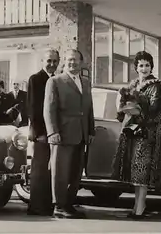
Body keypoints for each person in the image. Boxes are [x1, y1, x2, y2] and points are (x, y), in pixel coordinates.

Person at [112, 51, 161, 219]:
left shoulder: (156, 86)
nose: (144, 68)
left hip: (147, 132)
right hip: (133, 131)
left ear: (152, 67)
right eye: (141, 65)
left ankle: (140, 207)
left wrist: (137, 112)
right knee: (135, 172)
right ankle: (137, 205)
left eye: (147, 65)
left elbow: (154, 111)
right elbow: (121, 111)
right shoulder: (132, 85)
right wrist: (122, 107)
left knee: (142, 171)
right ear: (136, 68)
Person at [44, 49, 95, 219]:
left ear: (81, 62)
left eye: (76, 60)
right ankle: (59, 205)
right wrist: (52, 132)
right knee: (60, 171)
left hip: (81, 134)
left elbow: (88, 109)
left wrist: (91, 130)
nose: (72, 63)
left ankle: (69, 204)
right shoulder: (55, 81)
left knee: (75, 172)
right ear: (64, 62)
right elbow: (49, 110)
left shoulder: (86, 83)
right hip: (62, 134)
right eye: (69, 60)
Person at [27, 49, 60, 216]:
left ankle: (47, 205)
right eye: (49, 61)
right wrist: (40, 132)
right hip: (41, 133)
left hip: (54, 132)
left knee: (50, 171)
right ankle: (36, 206)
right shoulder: (35, 79)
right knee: (39, 171)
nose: (52, 64)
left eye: (55, 61)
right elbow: (33, 108)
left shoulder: (58, 79)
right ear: (43, 61)